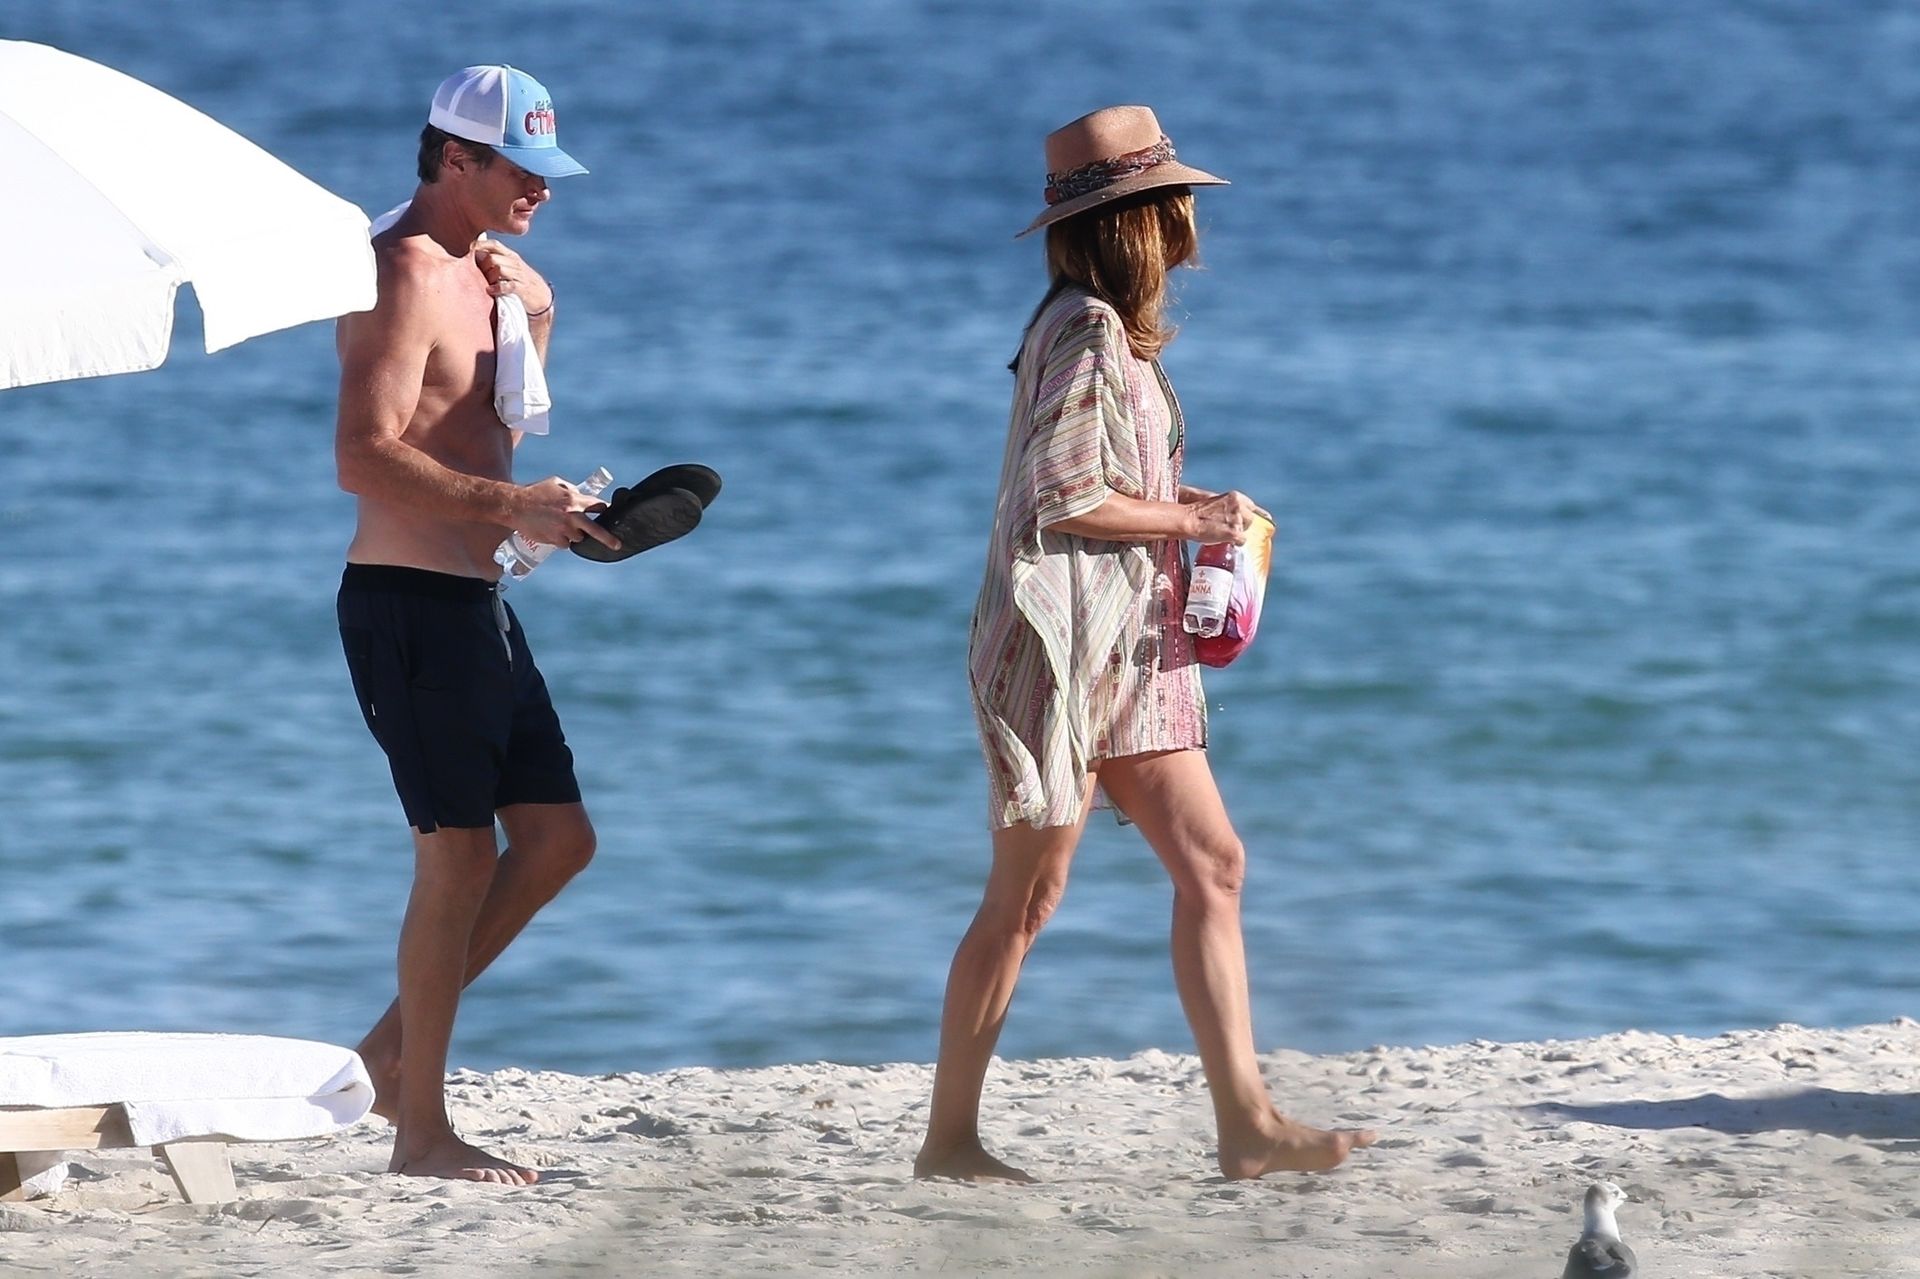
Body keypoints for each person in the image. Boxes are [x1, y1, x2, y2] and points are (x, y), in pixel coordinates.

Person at [914, 106, 1378, 1183]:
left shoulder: (1094, 328)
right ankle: (949, 1140)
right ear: (1140, 220)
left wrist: (1186, 503)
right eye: (1174, 204)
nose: (1188, 224)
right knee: (1024, 901)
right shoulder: (1084, 330)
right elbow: (1063, 497)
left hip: (1125, 643)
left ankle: (1246, 1122)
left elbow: (1098, 481)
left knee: (1212, 863)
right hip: (1062, 649)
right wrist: (1192, 520)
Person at [332, 65, 619, 1185]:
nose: (541, 191)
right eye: (522, 170)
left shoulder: (485, 269)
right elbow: (365, 455)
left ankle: (384, 1058)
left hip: (478, 598)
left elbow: (475, 422)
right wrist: (512, 504)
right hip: (408, 603)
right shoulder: (403, 269)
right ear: (456, 157)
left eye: (548, 173)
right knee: (456, 857)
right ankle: (420, 1131)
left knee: (557, 841)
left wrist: (538, 316)